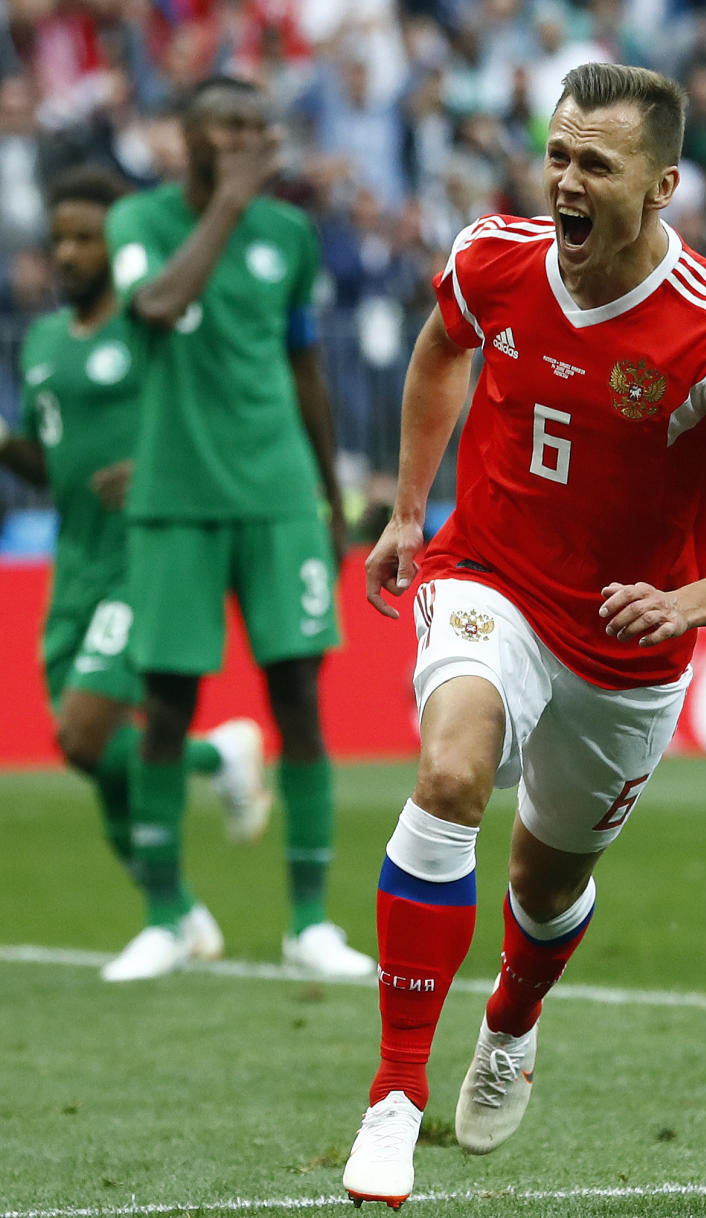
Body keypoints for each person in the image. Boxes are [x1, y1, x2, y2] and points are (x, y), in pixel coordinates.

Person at [342, 62, 706, 1209]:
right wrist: (411, 509)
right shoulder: (492, 257)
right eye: (556, 155)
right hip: (492, 577)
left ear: (661, 185)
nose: (564, 181)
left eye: (594, 165)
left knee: (546, 882)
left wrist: (686, 603)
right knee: (451, 771)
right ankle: (393, 1098)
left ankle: (512, 1020)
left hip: (627, 643)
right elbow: (439, 350)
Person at [101, 76, 375, 983]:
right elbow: (156, 308)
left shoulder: (290, 235)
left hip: (279, 493)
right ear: (188, 136)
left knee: (298, 698)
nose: (251, 140)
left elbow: (303, 363)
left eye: (260, 126)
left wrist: (331, 498)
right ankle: (167, 914)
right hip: (176, 493)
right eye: (230, 125)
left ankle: (309, 923)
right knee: (167, 708)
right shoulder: (138, 223)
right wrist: (224, 204)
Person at [0, 165, 272, 962]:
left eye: (87, 236)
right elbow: (53, 466)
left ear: (120, 241)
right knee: (91, 754)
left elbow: (216, 418)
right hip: (75, 563)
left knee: (86, 736)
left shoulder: (152, 329)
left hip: (145, 554)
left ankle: (214, 773)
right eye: (60, 239)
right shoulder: (47, 343)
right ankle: (180, 906)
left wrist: (156, 471)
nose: (70, 253)